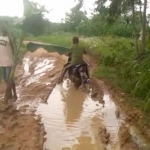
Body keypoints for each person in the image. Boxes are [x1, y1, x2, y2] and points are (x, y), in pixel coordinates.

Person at [0, 28, 17, 101]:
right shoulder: (0, 37)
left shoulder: (9, 38)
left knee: (10, 79)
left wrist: (15, 59)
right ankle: (9, 94)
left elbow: (14, 49)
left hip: (8, 61)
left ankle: (14, 95)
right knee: (5, 79)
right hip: (2, 61)